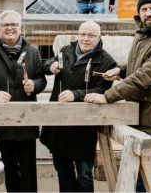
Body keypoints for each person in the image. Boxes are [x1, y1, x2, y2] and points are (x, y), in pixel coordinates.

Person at [85, 0, 151, 192]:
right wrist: (120, 70)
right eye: (144, 9)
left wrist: (108, 96)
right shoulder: (144, 33)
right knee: (140, 176)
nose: (148, 13)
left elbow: (147, 75)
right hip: (140, 112)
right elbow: (139, 65)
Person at [40, 21, 116, 192]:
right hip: (58, 124)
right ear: (77, 35)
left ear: (99, 37)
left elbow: (102, 90)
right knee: (63, 172)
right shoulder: (66, 51)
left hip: (83, 127)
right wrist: (50, 66)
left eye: (91, 35)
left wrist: (76, 95)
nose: (86, 39)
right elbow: (45, 65)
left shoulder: (106, 61)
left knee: (84, 174)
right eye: (83, 34)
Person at [0, 10, 47, 192]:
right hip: (4, 120)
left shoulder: (32, 51)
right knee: (10, 168)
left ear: (20, 27)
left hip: (26, 120)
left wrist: (34, 84)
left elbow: (42, 79)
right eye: (5, 25)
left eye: (14, 25)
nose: (10, 28)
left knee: (28, 169)